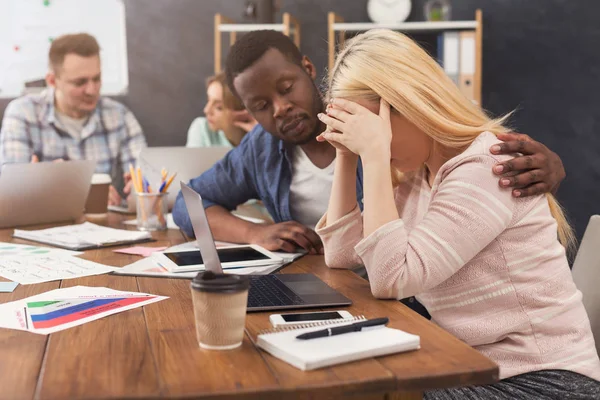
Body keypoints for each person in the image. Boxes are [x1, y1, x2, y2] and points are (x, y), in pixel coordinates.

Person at [315, 29, 600, 399]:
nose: (375, 145)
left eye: (372, 128)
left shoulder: (486, 168)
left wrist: (372, 152)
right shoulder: (417, 178)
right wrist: (346, 153)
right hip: (468, 365)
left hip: (544, 380)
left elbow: (392, 277)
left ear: (412, 102)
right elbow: (340, 256)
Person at [172, 29, 567, 255]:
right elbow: (187, 203)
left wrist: (550, 166)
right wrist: (254, 233)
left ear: (308, 69)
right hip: (338, 280)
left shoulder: (389, 125)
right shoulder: (260, 149)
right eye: (260, 105)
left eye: (287, 88)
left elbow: (460, 141)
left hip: (407, 290)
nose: (279, 109)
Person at [0, 33, 147, 206]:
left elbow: (144, 177)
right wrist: (52, 184)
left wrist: (139, 193)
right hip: (47, 227)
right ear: (53, 80)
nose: (92, 90)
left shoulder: (119, 116)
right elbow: (11, 194)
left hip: (106, 226)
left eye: (97, 79)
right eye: (80, 82)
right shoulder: (23, 113)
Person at [186, 72, 257, 148]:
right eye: (208, 100)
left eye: (219, 107)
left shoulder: (258, 136)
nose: (206, 110)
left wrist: (261, 136)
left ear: (242, 110)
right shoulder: (202, 128)